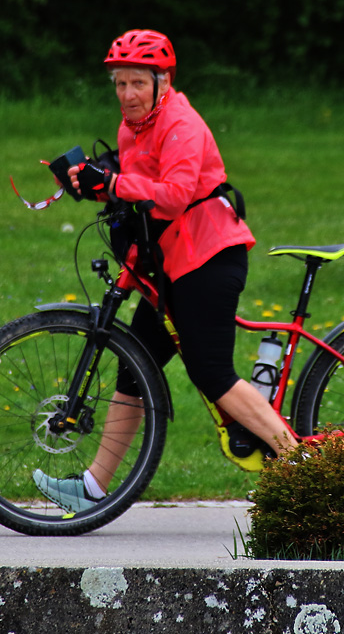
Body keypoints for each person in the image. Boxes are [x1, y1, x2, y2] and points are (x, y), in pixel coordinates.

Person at [33, 29, 298, 513]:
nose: (127, 95)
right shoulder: (131, 127)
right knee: (135, 369)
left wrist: (111, 180)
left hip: (209, 258)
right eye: (119, 84)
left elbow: (174, 193)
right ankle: (94, 487)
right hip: (171, 263)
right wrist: (94, 185)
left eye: (138, 83)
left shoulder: (181, 124)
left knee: (212, 373)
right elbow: (140, 190)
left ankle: (303, 470)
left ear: (162, 82)